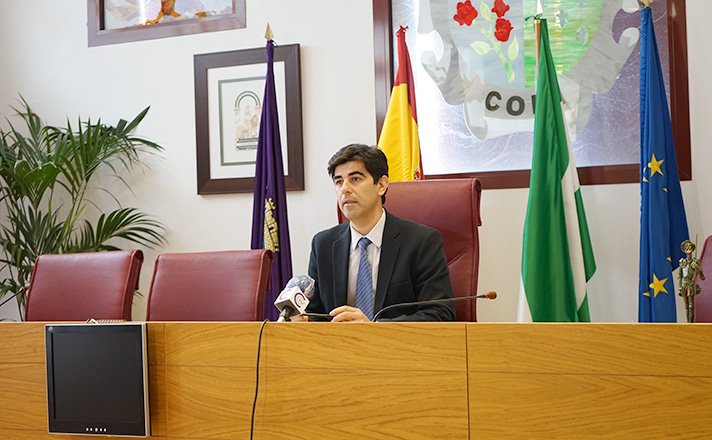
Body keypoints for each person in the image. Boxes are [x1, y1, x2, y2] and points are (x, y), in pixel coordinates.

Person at [301, 143, 455, 322]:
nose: (345, 189)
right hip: (337, 340)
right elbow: (315, 314)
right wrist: (302, 321)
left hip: (395, 341)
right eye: (339, 182)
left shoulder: (421, 242)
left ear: (381, 185)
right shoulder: (323, 244)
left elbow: (440, 314)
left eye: (355, 179)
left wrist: (373, 328)